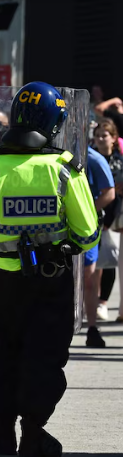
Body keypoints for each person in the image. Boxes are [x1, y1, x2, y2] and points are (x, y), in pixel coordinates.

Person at [0, 82, 100, 457]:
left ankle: (1, 431)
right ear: (54, 124)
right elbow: (87, 234)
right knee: (46, 354)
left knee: (2, 351)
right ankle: (34, 433)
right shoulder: (65, 168)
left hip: (6, 282)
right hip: (52, 283)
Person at [82, 144, 115, 347]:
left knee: (89, 278)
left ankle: (92, 328)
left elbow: (109, 193)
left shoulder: (93, 159)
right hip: (58, 227)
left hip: (86, 229)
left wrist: (84, 214)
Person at [92, 120, 123, 321]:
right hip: (95, 213)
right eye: (97, 136)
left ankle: (103, 302)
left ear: (113, 138)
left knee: (110, 259)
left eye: (104, 135)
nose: (101, 139)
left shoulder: (119, 160)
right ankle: (93, 300)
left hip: (116, 216)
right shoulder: (91, 159)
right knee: (95, 263)